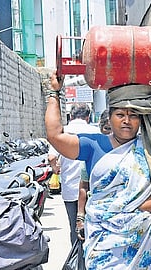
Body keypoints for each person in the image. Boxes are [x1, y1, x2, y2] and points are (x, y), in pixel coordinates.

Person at [45, 74, 151, 269]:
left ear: (141, 119)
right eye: (120, 115)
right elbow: (54, 135)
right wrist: (54, 92)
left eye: (133, 115)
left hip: (147, 243)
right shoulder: (93, 145)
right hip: (105, 246)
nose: (127, 121)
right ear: (109, 117)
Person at [55, 102, 100, 245]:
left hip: (69, 188)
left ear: (71, 116)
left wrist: (56, 169)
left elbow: (51, 158)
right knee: (93, 225)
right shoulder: (96, 132)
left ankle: (76, 259)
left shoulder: (62, 132)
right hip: (91, 189)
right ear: (87, 117)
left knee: (74, 226)